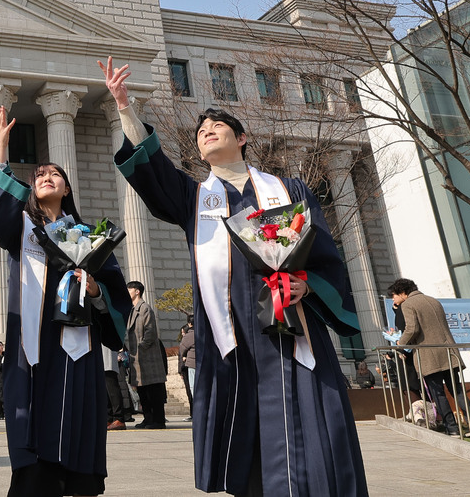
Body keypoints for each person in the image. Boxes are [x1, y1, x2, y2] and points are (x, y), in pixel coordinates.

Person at [102, 57, 368, 495]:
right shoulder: (193, 197)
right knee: (248, 424)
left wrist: (305, 284)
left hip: (291, 322)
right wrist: (125, 108)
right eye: (201, 129)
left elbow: (324, 254)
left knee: (314, 419)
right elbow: (152, 172)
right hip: (232, 332)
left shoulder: (289, 191)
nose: (206, 129)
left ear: (242, 138)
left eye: (217, 124)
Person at [0, 107, 132, 497]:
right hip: (35, 347)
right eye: (39, 176)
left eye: (55, 175)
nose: (46, 178)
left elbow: (117, 298)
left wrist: (96, 289)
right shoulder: (23, 229)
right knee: (35, 430)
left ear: (67, 189)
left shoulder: (90, 236)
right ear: (32, 190)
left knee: (77, 426)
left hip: (76, 352)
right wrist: (0, 146)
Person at [388, 278, 470, 437]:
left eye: (394, 295)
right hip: (449, 352)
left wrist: (400, 343)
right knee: (457, 389)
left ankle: (452, 428)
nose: (394, 299)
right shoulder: (433, 300)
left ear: (403, 293)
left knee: (438, 393)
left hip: (429, 355)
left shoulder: (408, 305)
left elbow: (412, 329)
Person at [126, 281, 167, 429]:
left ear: (137, 291)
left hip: (148, 357)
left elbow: (150, 332)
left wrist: (141, 347)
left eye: (129, 289)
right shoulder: (132, 309)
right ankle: (148, 419)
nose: (127, 291)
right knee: (143, 391)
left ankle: (158, 420)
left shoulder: (145, 309)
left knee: (153, 391)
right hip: (137, 358)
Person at [102, 346, 127, 430]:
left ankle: (118, 418)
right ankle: (109, 417)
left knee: (112, 390)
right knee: (105, 392)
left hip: (107, 357)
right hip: (101, 357)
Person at [179, 320, 196, 420]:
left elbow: (182, 349)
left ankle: (196, 411)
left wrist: (185, 356)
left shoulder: (190, 335)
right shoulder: (204, 331)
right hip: (204, 364)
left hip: (192, 364)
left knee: (193, 389)